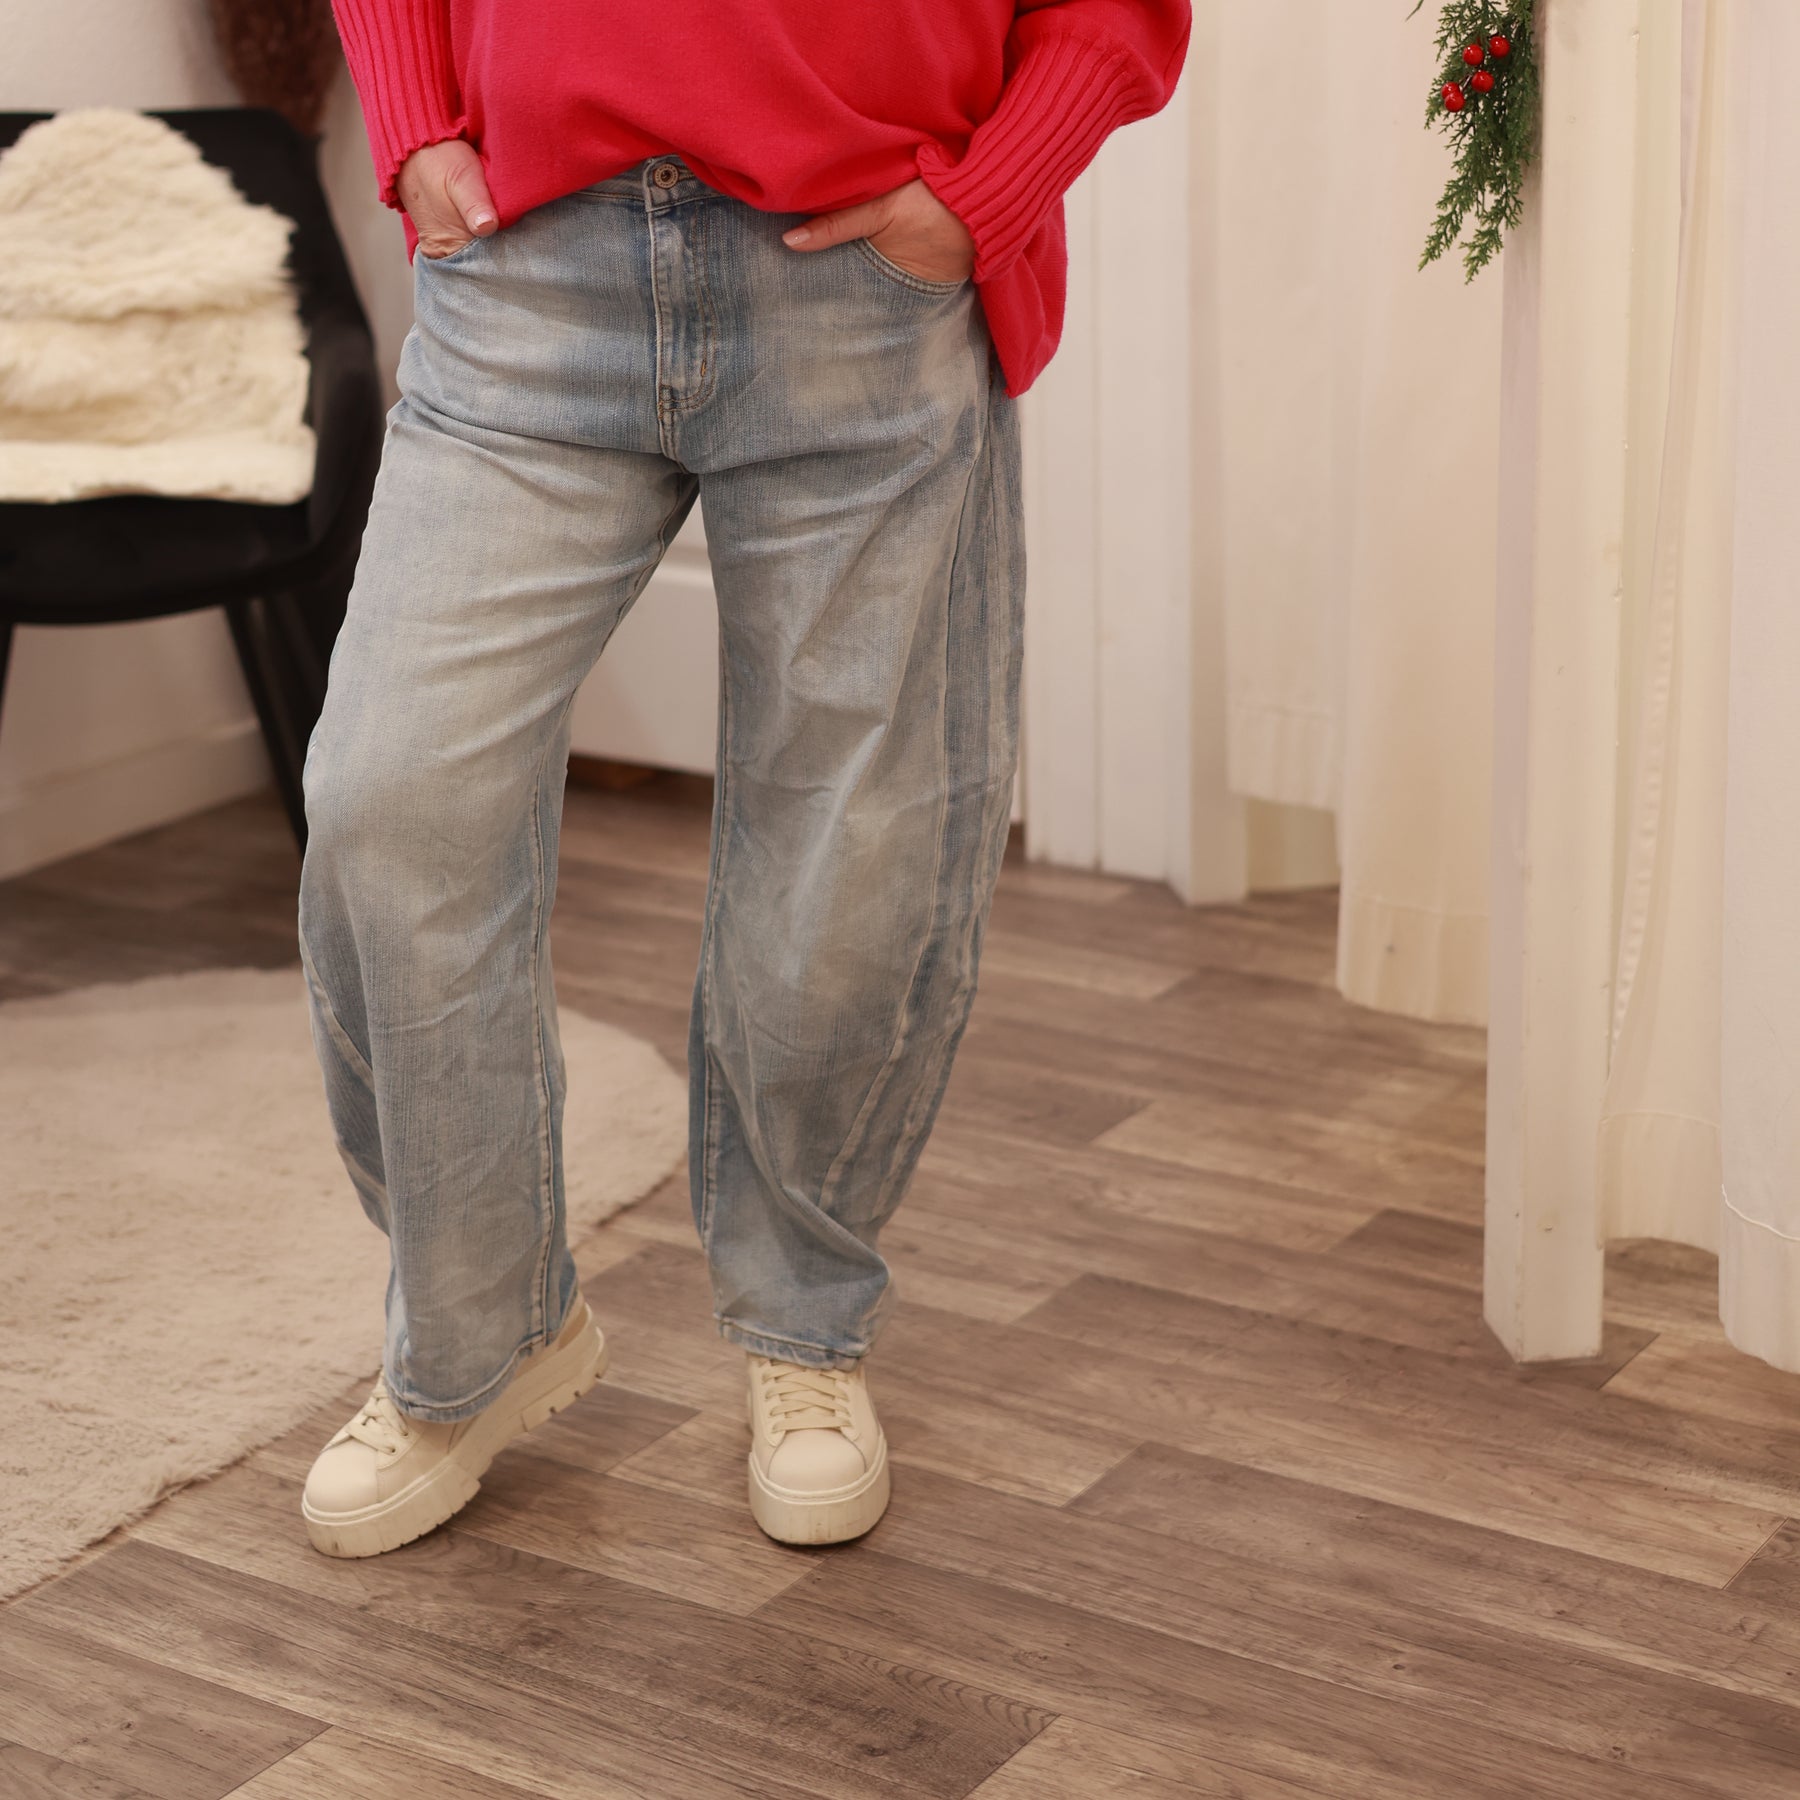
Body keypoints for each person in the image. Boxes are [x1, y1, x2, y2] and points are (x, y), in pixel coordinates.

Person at [298, 0, 1190, 1558]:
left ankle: (802, 1324)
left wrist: (983, 197)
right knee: (391, 798)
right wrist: (411, 119)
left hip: (858, 281)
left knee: (852, 848)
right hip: (528, 270)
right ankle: (479, 1337)